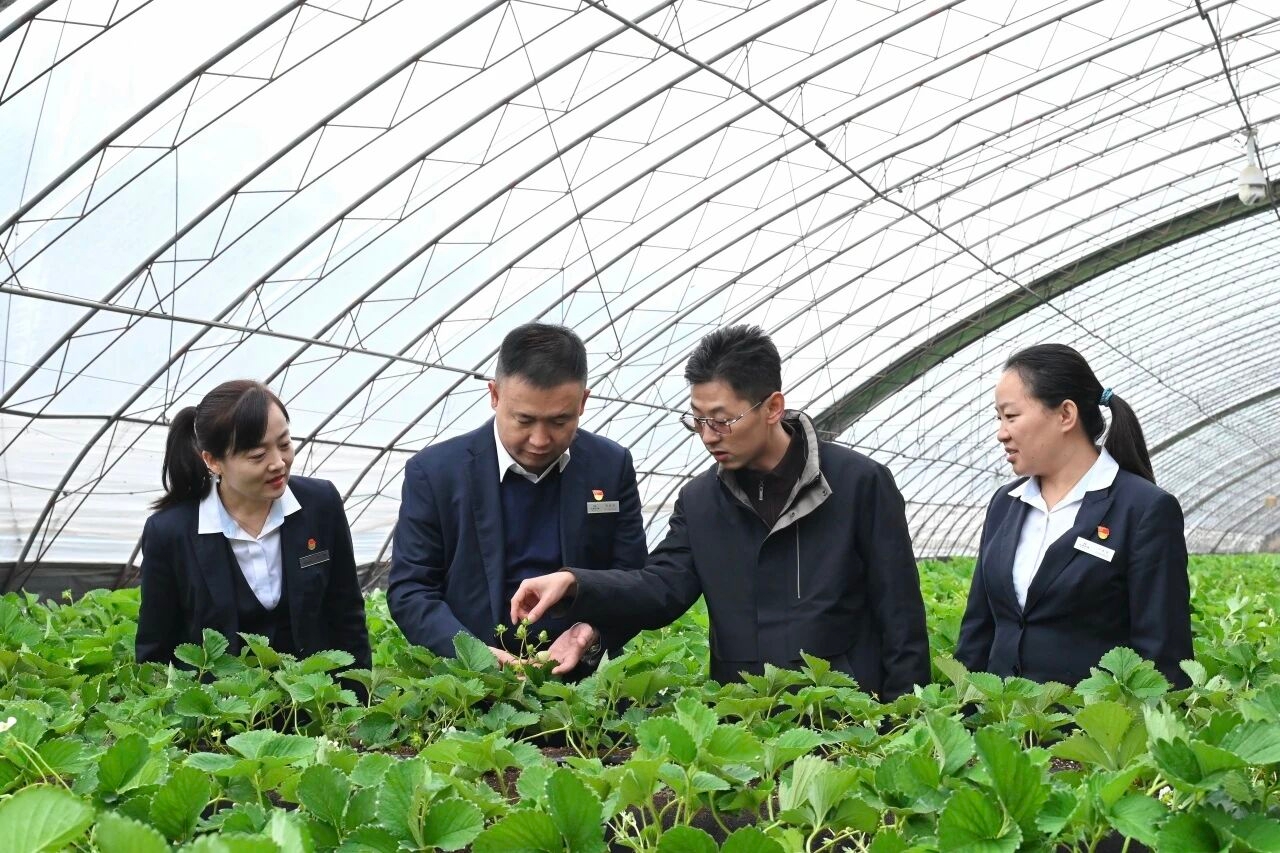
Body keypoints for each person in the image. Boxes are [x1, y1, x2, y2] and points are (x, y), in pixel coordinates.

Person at [510, 325, 931, 700]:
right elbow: (660, 586)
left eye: (721, 420)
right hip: (743, 718)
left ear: (772, 407)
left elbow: (900, 616)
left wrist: (903, 719)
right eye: (697, 420)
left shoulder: (858, 484)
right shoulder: (701, 501)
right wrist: (575, 583)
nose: (708, 436)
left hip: (845, 717)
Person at [387, 323, 647, 672]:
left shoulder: (610, 466)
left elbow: (633, 579)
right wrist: (475, 656)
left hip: (581, 683)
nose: (540, 440)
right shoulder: (436, 473)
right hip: (468, 685)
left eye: (559, 421)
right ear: (494, 395)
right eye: (524, 420)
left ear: (583, 402)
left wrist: (589, 634)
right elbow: (411, 590)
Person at [955, 344, 1192, 688]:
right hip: (1000, 717)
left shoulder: (1143, 509)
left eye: (1012, 416)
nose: (1001, 433)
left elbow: (1163, 654)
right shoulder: (1005, 503)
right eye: (999, 418)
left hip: (1091, 719)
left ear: (1066, 414)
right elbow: (978, 629)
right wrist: (962, 707)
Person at [136, 380, 371, 672]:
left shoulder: (320, 504)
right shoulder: (171, 533)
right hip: (219, 699)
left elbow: (347, 615)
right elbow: (155, 652)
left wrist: (357, 695)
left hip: (315, 693)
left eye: (284, 444)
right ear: (213, 461)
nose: (278, 463)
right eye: (257, 456)